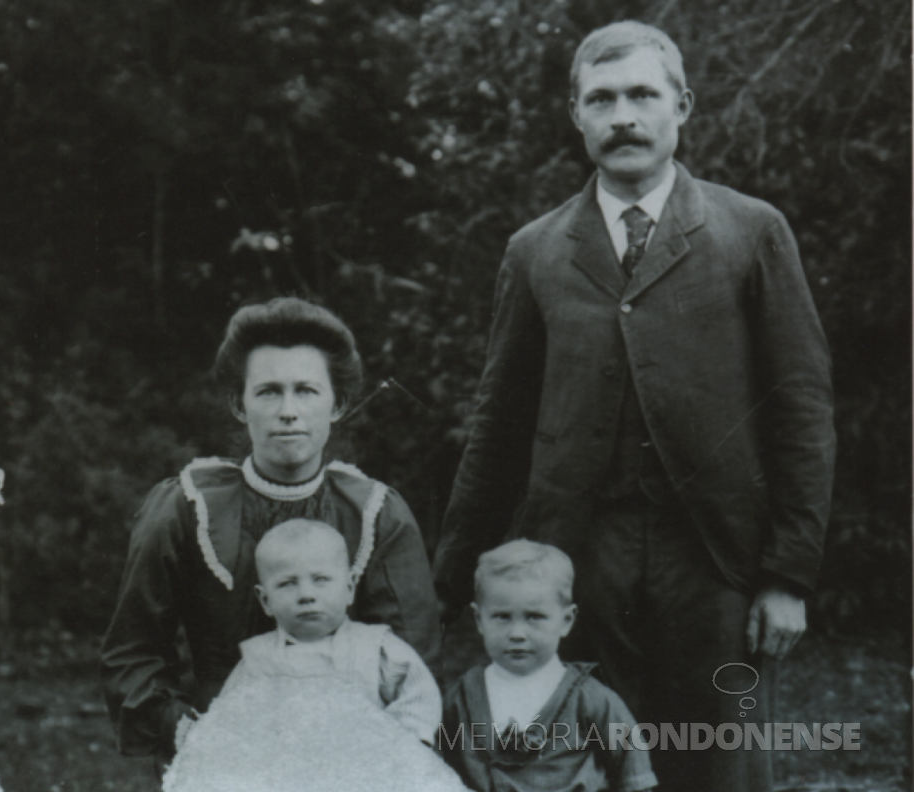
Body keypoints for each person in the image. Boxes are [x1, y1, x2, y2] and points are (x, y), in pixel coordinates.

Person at [432, 20, 835, 792]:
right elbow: (499, 427)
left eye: (643, 95)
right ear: (575, 116)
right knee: (578, 767)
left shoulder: (751, 233)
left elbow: (804, 411)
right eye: (602, 99)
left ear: (680, 106)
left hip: (717, 560)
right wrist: (450, 583)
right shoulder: (537, 250)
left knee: (716, 762)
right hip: (578, 564)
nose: (624, 116)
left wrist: (789, 574)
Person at [102, 297, 442, 772]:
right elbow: (133, 652)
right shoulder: (186, 507)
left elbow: (413, 660)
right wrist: (190, 732)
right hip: (221, 746)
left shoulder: (376, 514)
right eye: (267, 392)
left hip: (351, 755)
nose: (288, 411)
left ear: (338, 403)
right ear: (239, 405)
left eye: (305, 390)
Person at [162, 519, 465, 792]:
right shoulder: (259, 660)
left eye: (321, 579)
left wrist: (401, 746)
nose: (306, 594)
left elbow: (417, 696)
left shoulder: (375, 647)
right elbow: (232, 719)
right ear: (265, 600)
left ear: (348, 588)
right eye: (287, 583)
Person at [439, 540, 657, 792]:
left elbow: (634, 775)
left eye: (534, 617)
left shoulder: (591, 700)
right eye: (501, 617)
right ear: (479, 620)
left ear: (566, 621)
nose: (517, 633)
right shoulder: (463, 698)